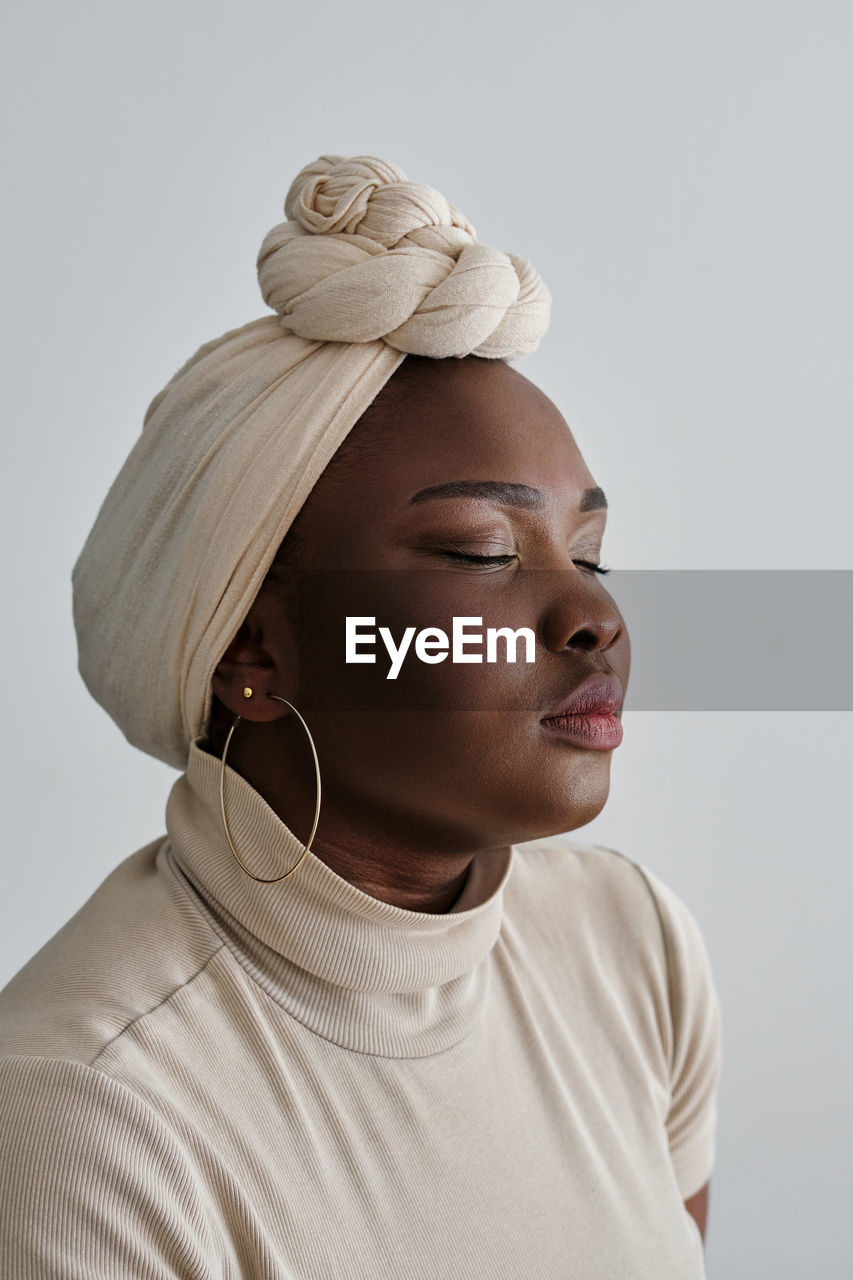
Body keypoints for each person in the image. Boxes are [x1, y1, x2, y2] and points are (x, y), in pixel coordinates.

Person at [0, 154, 722, 1278]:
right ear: (252, 646)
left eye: (590, 553)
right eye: (482, 551)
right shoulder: (85, 1114)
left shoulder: (631, 944)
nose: (591, 612)